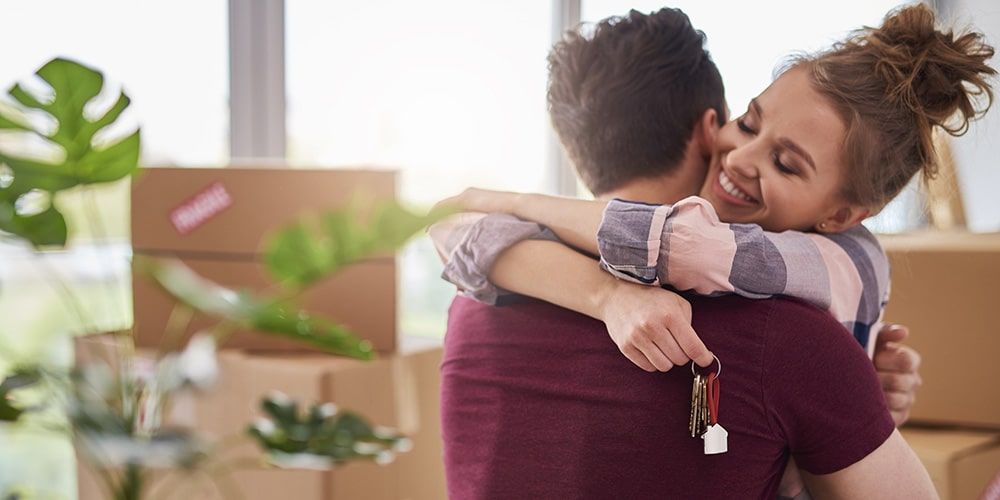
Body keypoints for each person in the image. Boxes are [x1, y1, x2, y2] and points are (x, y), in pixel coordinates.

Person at [435, 5, 993, 498]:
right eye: (746, 123)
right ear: (711, 127)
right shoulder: (791, 339)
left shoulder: (475, 300)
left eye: (786, 162)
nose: (742, 157)